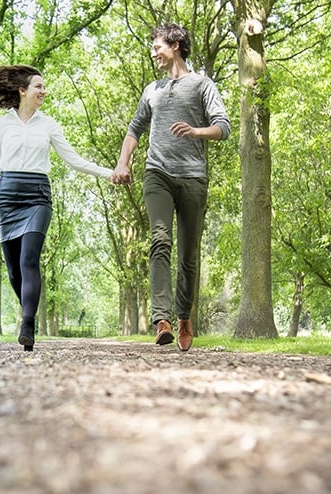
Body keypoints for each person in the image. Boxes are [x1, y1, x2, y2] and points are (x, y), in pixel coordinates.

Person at [0, 65, 116, 352]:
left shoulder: (48, 125)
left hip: (37, 196)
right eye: (38, 87)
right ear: (22, 91)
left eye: (44, 87)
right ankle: (27, 312)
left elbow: (74, 160)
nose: (43, 91)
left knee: (29, 260)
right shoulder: (2, 124)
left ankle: (28, 324)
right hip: (6, 198)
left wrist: (109, 174)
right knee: (13, 272)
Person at [113, 23, 231, 352]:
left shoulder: (202, 85)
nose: (153, 52)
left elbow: (224, 127)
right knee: (160, 239)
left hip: (193, 177)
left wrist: (196, 132)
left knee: (189, 255)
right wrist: (123, 163)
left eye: (157, 46)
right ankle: (162, 319)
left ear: (176, 45)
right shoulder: (152, 89)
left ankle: (184, 317)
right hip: (158, 173)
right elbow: (135, 128)